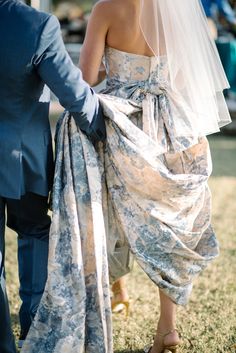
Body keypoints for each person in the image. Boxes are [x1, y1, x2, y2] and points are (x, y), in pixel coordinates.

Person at [78, 0, 231, 352]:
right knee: (166, 222)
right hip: (173, 125)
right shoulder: (176, 10)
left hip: (124, 123)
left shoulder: (106, 8)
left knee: (112, 210)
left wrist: (113, 69)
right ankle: (167, 328)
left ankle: (116, 292)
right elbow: (182, 76)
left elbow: (85, 78)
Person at [0, 0, 106, 352]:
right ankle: (33, 328)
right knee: (32, 230)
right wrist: (103, 129)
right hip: (23, 160)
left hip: (19, 157)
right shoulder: (38, 25)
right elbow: (74, 94)